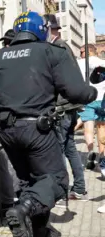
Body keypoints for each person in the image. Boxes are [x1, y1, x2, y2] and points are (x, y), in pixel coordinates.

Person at [0, 12, 97, 237]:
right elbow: (76, 92)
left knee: (29, 182)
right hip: (37, 129)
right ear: (42, 29)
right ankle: (22, 209)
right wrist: (91, 93)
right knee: (55, 180)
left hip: (6, 130)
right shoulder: (51, 52)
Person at [43, 14, 88, 204]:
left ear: (47, 29)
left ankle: (60, 193)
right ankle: (79, 189)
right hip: (69, 105)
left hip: (62, 106)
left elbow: (57, 79)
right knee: (70, 148)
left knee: (58, 151)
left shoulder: (56, 47)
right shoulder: (63, 46)